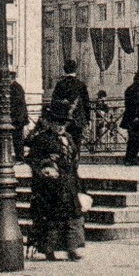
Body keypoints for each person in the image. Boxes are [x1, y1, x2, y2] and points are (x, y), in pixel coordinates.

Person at [25, 107, 84, 261]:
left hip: (69, 182)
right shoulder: (42, 139)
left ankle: (72, 248)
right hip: (50, 185)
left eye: (63, 123)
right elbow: (32, 160)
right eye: (57, 123)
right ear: (50, 123)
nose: (60, 126)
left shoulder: (69, 138)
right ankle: (48, 249)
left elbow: (74, 160)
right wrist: (45, 167)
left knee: (73, 215)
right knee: (52, 218)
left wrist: (78, 184)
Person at [49, 60, 91, 145]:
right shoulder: (81, 84)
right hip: (78, 119)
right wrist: (88, 119)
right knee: (76, 143)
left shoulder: (60, 84)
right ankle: (76, 157)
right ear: (75, 69)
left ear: (64, 70)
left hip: (62, 119)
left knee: (64, 144)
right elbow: (86, 103)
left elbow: (53, 102)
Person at [6, 68, 30, 161]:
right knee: (16, 138)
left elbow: (18, 105)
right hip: (17, 117)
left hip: (17, 118)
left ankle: (20, 157)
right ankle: (18, 156)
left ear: (11, 78)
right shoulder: (16, 87)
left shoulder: (15, 88)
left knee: (18, 138)